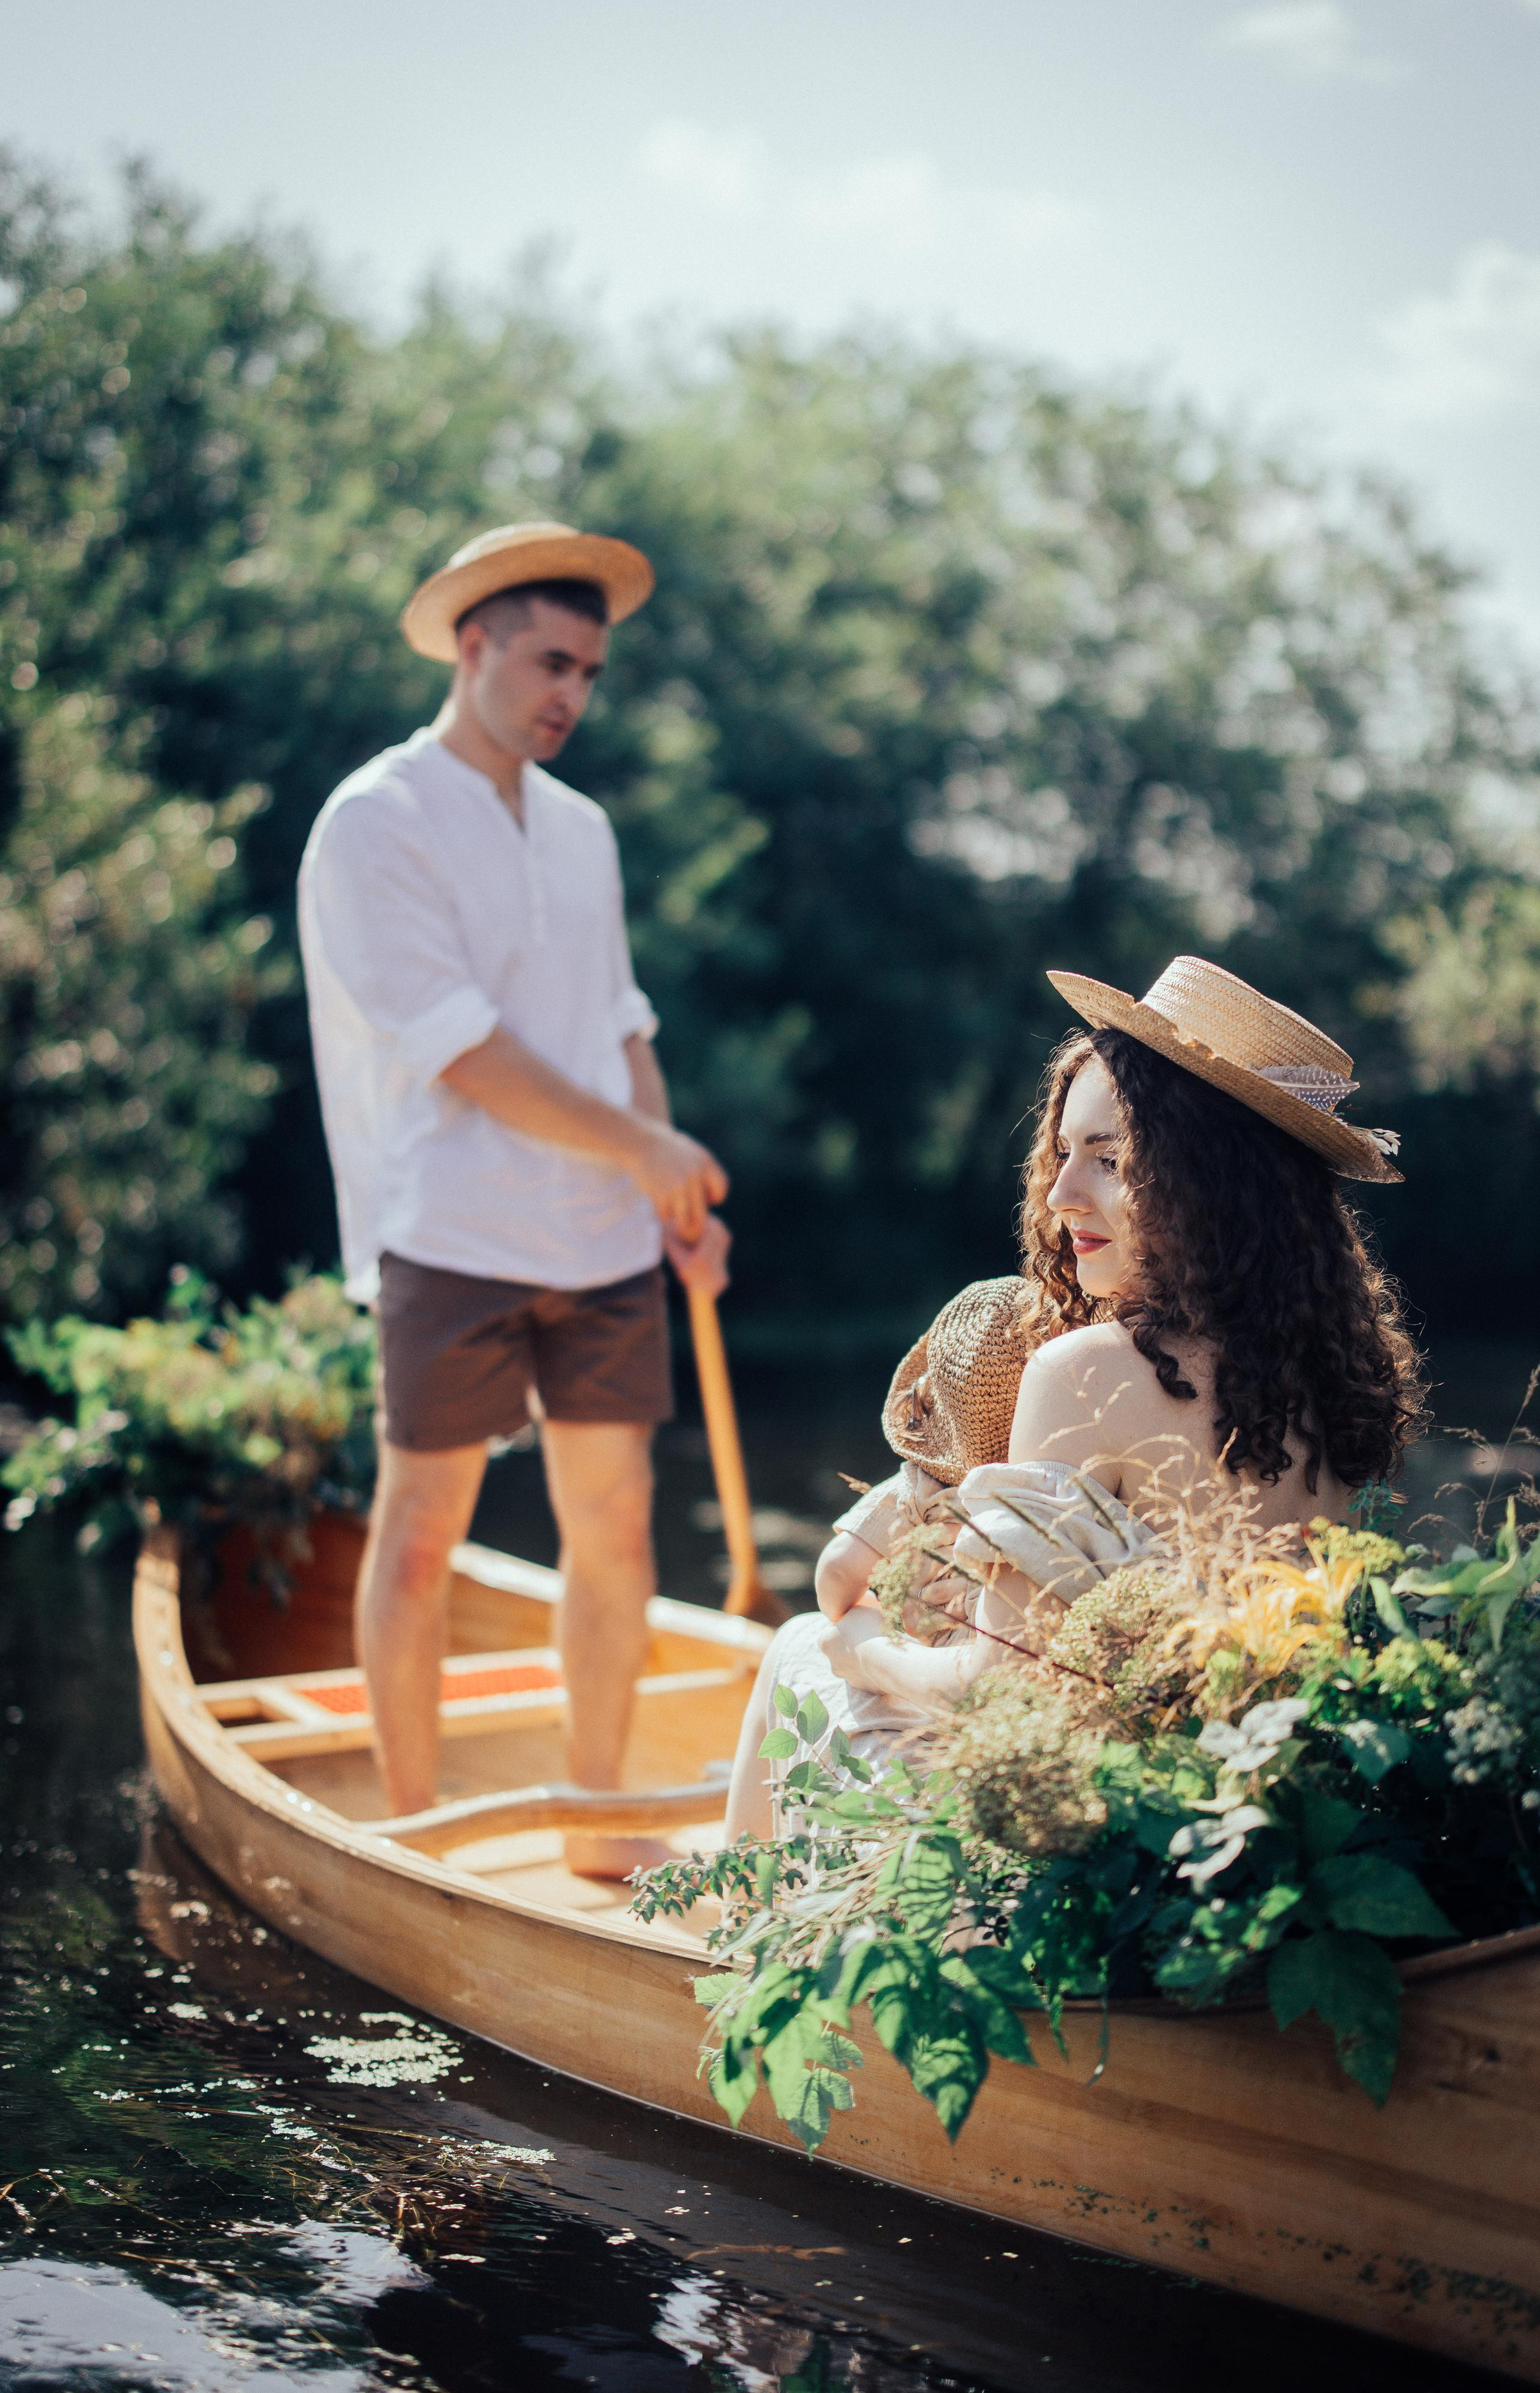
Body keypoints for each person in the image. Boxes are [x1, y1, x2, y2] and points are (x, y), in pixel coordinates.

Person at [725, 955, 1423, 1839]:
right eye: (1063, 1154)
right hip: (1239, 1817)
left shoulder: (1084, 1372)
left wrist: (863, 1652)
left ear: (1211, 1182)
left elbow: (1001, 1691)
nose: (1060, 1194)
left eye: (1109, 1159)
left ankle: (733, 1927)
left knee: (797, 1648)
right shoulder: (1340, 1381)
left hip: (1084, 1829)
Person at [298, 520, 730, 1872]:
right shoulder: (375, 818)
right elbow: (464, 1049)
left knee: (615, 1530)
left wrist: (668, 1188)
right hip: (452, 1232)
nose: (572, 695)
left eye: (589, 673)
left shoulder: (584, 828)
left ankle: (597, 1818)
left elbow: (620, 1021)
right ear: (472, 644)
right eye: (552, 662)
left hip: (601, 1241)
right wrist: (647, 1150)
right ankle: (413, 1834)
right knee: (421, 1533)